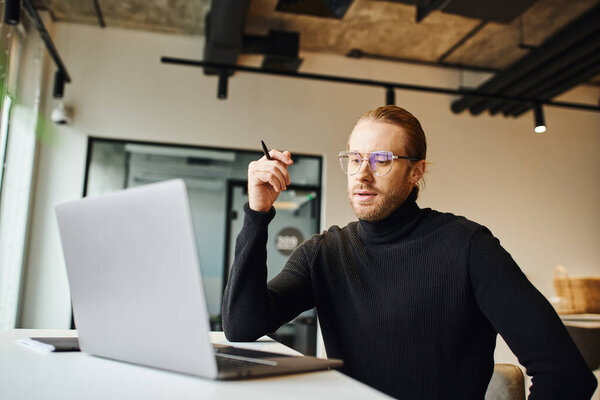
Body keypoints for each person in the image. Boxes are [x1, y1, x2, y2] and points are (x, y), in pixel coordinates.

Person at [221, 105, 597, 399]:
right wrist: (257, 214)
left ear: (416, 173)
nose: (362, 174)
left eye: (381, 160)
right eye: (354, 159)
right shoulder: (324, 252)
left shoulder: (468, 247)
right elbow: (242, 326)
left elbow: (565, 375)